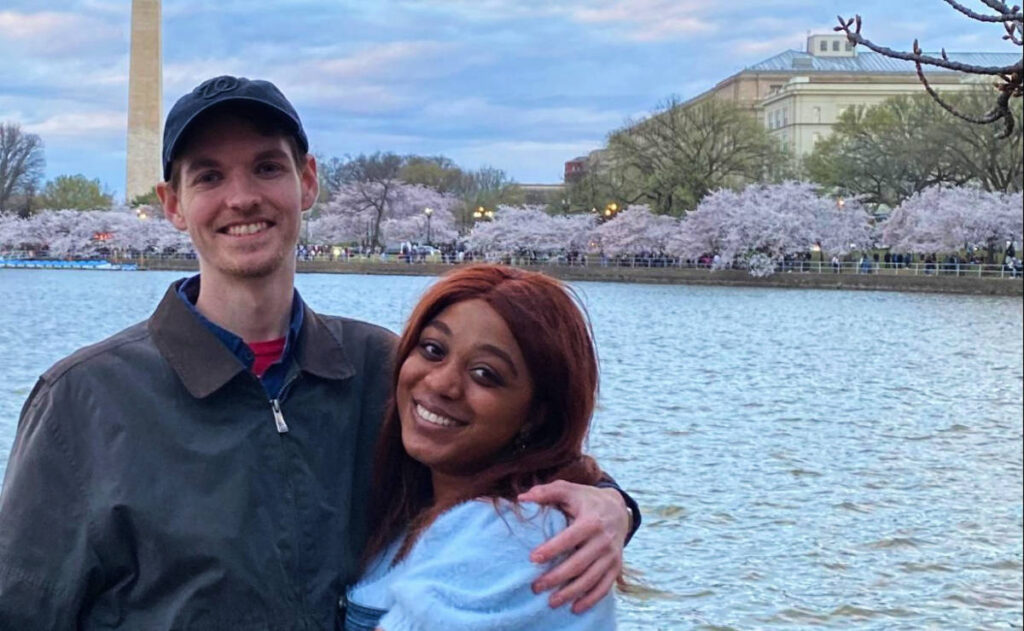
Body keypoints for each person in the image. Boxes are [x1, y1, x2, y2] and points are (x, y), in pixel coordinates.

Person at [0, 76, 638, 629]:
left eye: (267, 168)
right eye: (209, 176)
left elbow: (524, 457)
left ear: (307, 183)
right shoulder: (85, 398)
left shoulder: (383, 369)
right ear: (172, 206)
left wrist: (613, 504)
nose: (242, 197)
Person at [345, 265, 617, 630]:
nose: (442, 384)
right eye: (432, 349)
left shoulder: (517, 532)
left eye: (485, 374)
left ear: (537, 415)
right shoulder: (419, 509)